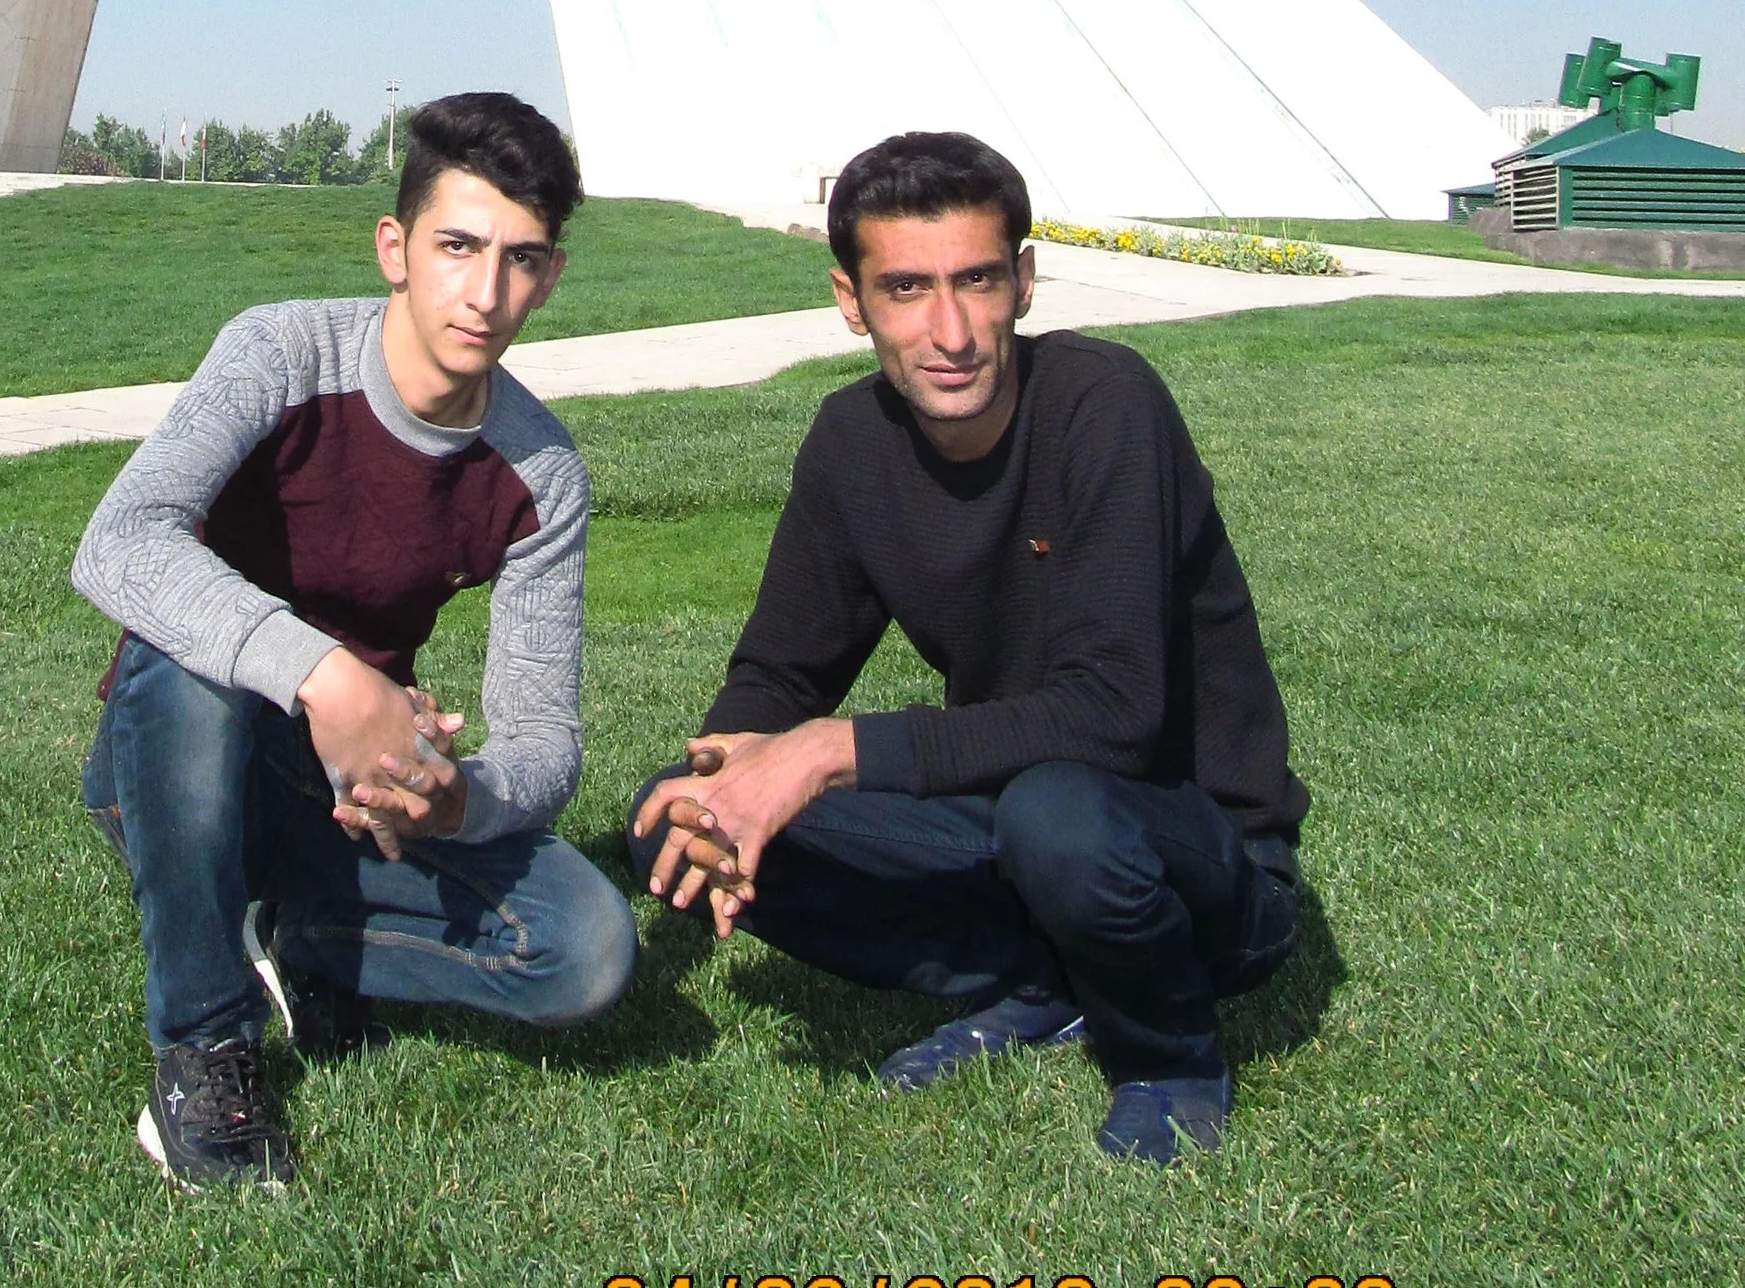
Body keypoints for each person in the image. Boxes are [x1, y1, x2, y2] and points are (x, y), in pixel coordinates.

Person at [631, 130, 1307, 1166]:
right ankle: (1033, 985)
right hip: (1020, 825)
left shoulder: (1105, 405)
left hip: (1199, 862)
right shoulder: (850, 442)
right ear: (851, 302)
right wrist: (725, 782)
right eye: (904, 289)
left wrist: (817, 752)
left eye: (976, 281)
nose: (948, 330)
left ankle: (1167, 1055)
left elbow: (1112, 714)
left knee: (1059, 814)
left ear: (1023, 283)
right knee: (669, 807)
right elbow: (780, 673)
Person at [75, 90, 636, 1189]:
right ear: (395, 247)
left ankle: (306, 942)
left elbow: (545, 742)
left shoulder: (540, 472)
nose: (485, 293)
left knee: (587, 947)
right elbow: (118, 545)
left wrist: (455, 796)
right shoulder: (282, 354)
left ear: (552, 276)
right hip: (175, 759)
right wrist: (329, 675)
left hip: (345, 787)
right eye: (457, 247)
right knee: (195, 649)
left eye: (521, 260)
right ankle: (203, 1048)